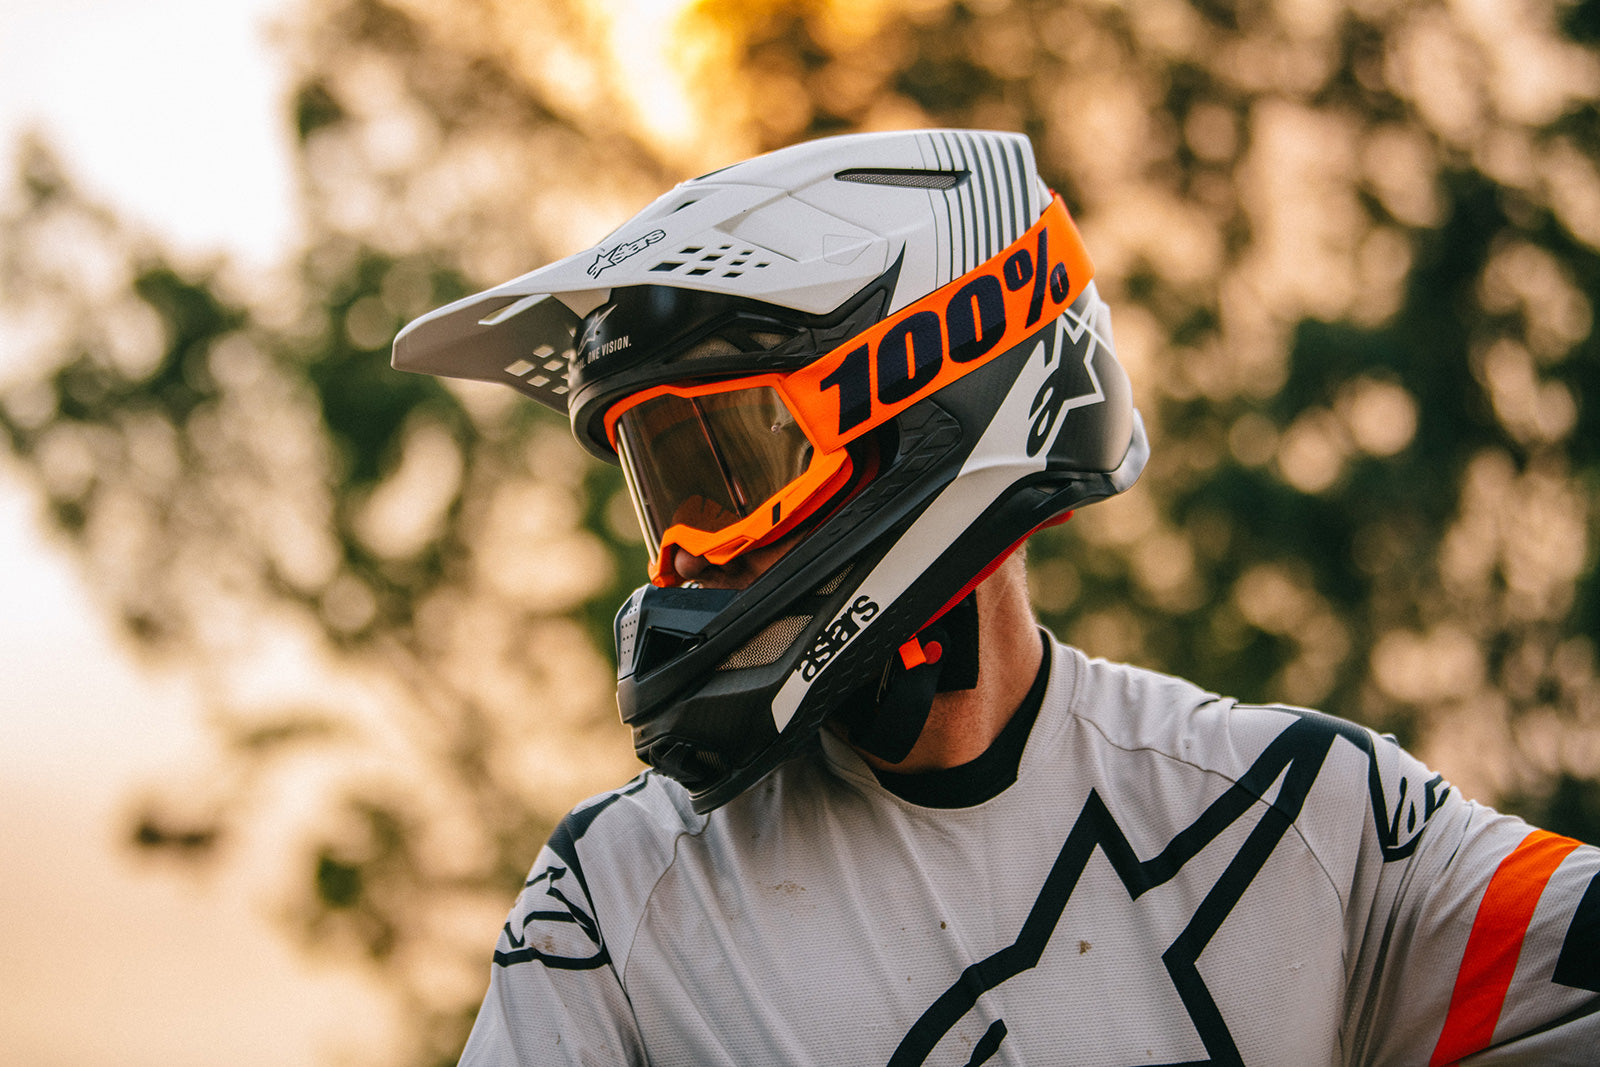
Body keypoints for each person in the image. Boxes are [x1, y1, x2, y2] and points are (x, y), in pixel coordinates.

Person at [394, 129, 1599, 1065]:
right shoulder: (620, 897)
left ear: (925, 404)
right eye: (665, 492)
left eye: (734, 466)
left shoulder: (1301, 814)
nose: (689, 558)